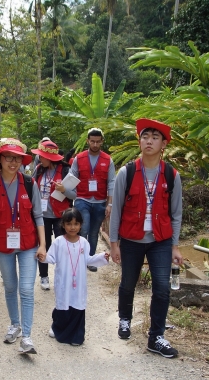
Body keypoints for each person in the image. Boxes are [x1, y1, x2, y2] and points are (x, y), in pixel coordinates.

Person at [109, 118, 183, 358]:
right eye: (145, 136)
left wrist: (175, 246)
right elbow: (116, 209)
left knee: (162, 288)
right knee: (129, 282)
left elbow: (176, 213)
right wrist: (113, 243)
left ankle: (156, 337)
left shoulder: (172, 175)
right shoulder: (127, 172)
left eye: (155, 137)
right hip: (131, 238)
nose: (149, 141)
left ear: (163, 144)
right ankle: (125, 319)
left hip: (160, 240)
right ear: (139, 141)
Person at [0, 138, 46, 354]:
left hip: (28, 244)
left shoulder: (30, 183)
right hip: (3, 245)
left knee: (26, 289)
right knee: (11, 287)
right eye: (8, 158)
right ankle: (14, 324)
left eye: (17, 158)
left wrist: (42, 245)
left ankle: (27, 337)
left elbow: (39, 216)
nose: (13, 162)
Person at [46, 207, 109, 346]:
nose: (72, 227)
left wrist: (102, 257)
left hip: (79, 282)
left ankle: (76, 336)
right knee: (63, 305)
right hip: (63, 280)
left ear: (81, 225)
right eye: (69, 224)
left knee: (77, 306)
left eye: (76, 224)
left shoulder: (84, 243)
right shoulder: (58, 242)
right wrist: (42, 256)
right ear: (63, 225)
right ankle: (58, 329)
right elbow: (50, 258)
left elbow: (88, 260)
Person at [30, 138, 76, 290]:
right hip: (41, 215)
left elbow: (74, 195)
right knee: (43, 245)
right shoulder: (38, 169)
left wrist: (64, 190)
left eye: (41, 156)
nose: (39, 158)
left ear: (49, 157)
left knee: (62, 246)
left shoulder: (65, 170)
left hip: (59, 216)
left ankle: (63, 275)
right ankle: (44, 277)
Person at [70, 127, 115, 272]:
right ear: (88, 141)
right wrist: (68, 194)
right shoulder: (79, 158)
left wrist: (110, 204)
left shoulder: (108, 160)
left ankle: (90, 260)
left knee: (94, 232)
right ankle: (79, 258)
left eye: (97, 142)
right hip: (82, 199)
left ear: (101, 141)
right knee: (84, 228)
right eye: (92, 141)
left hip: (100, 201)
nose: (95, 144)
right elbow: (71, 177)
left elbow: (111, 182)